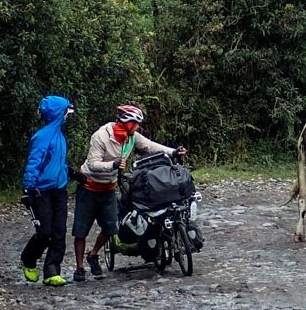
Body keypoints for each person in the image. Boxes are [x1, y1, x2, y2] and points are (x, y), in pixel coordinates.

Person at [72, 104, 185, 282]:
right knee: (81, 230)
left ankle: (93, 254)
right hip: (89, 186)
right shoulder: (101, 136)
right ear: (125, 122)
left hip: (108, 188)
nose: (137, 127)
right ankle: (79, 268)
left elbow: (149, 146)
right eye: (135, 123)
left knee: (111, 228)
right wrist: (113, 165)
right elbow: (93, 164)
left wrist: (173, 152)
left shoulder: (131, 137)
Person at [21, 95, 75, 286]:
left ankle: (52, 270)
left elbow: (57, 164)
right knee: (45, 232)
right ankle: (28, 258)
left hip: (59, 191)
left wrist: (73, 175)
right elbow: (34, 162)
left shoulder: (60, 136)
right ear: (57, 113)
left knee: (59, 232)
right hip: (41, 191)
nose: (68, 116)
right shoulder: (42, 137)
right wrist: (28, 188)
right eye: (66, 112)